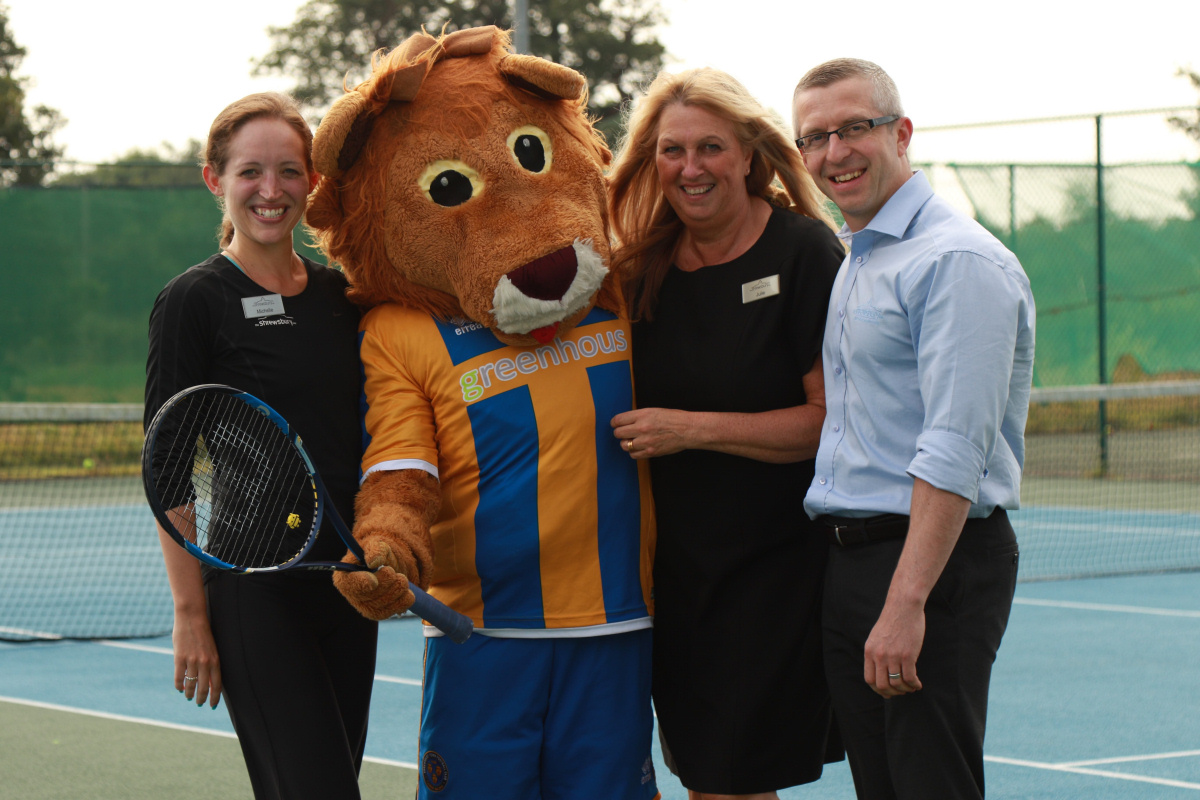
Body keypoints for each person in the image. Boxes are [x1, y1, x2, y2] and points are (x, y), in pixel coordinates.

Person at [792, 59, 1036, 800]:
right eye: (815, 137)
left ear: (901, 134)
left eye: (855, 128)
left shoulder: (956, 261)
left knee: (930, 786)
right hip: (857, 562)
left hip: (928, 567)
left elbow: (954, 448)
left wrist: (906, 603)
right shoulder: (861, 257)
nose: (836, 152)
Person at [608, 67, 844, 800]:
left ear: (747, 153)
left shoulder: (805, 252)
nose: (691, 167)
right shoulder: (639, 269)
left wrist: (690, 430)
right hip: (667, 575)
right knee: (705, 777)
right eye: (672, 151)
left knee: (728, 776)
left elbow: (828, 425)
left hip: (776, 573)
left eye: (710, 147)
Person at [144, 92, 377, 800]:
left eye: (288, 171)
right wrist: (192, 617)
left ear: (312, 182)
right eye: (250, 172)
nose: (270, 191)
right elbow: (169, 475)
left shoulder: (347, 299)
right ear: (215, 180)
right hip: (254, 590)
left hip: (345, 585)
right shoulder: (193, 300)